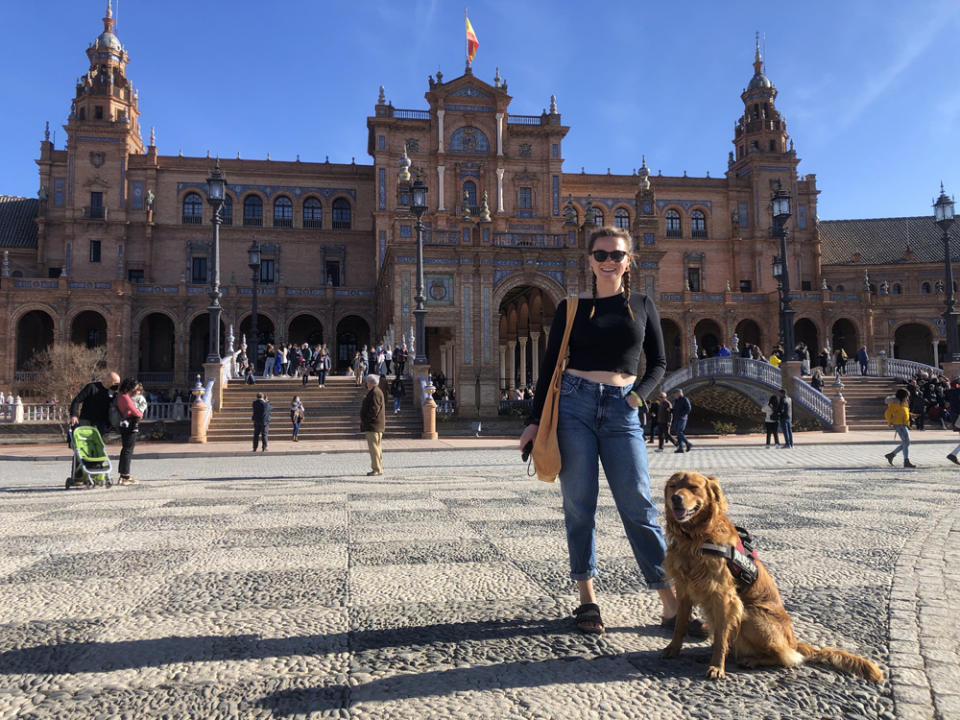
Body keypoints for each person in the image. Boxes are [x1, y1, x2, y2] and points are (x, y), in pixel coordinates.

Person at [518, 226, 700, 638]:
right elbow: (549, 368)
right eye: (600, 255)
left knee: (639, 505)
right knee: (579, 505)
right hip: (574, 406)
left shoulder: (643, 304)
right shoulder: (571, 307)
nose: (608, 261)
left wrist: (637, 399)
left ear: (628, 261)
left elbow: (657, 364)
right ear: (589, 260)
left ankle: (670, 604)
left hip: (623, 409)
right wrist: (532, 422)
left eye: (616, 255)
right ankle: (587, 599)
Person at [69, 371, 121, 435]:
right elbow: (76, 401)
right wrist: (74, 415)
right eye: (115, 383)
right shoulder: (92, 387)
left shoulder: (113, 393)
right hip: (86, 421)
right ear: (108, 381)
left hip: (101, 424)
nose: (117, 385)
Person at [116, 378, 144, 485]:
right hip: (130, 424)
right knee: (128, 449)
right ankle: (125, 475)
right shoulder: (125, 397)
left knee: (125, 449)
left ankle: (123, 474)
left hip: (123, 423)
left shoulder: (119, 395)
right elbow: (136, 412)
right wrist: (140, 413)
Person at [361, 373, 385, 476]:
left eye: (367, 382)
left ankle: (376, 469)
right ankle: (379, 468)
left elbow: (374, 409)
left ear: (371, 382)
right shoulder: (376, 391)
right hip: (376, 425)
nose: (366, 384)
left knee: (374, 448)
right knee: (377, 447)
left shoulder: (375, 392)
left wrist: (366, 420)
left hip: (373, 425)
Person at [885, 388, 916, 468]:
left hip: (904, 424)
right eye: (906, 396)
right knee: (906, 442)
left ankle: (892, 455)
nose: (907, 398)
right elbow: (888, 413)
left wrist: (911, 415)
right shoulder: (895, 403)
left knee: (906, 442)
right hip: (898, 424)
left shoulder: (903, 403)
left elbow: (903, 412)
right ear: (902, 396)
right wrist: (889, 421)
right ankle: (906, 461)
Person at [671, 388, 692, 453]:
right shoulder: (676, 400)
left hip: (682, 418)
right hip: (677, 418)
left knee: (679, 432)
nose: (674, 395)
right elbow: (675, 410)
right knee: (678, 433)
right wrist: (671, 410)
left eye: (675, 394)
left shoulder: (684, 399)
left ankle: (688, 443)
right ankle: (681, 448)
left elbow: (688, 408)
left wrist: (682, 415)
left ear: (679, 393)